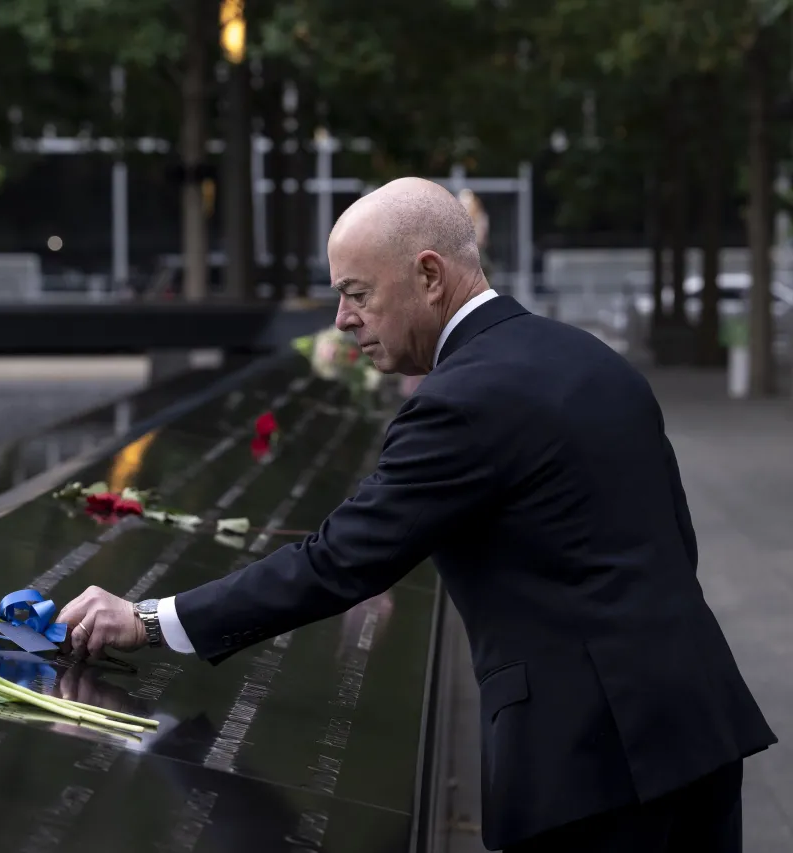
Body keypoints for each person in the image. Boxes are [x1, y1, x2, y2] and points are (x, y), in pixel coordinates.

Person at [57, 177, 776, 853]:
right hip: (698, 730)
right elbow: (673, 542)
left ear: (429, 275)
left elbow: (338, 561)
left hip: (592, 767)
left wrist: (149, 620)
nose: (342, 320)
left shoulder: (464, 397)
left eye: (357, 293)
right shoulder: (589, 358)